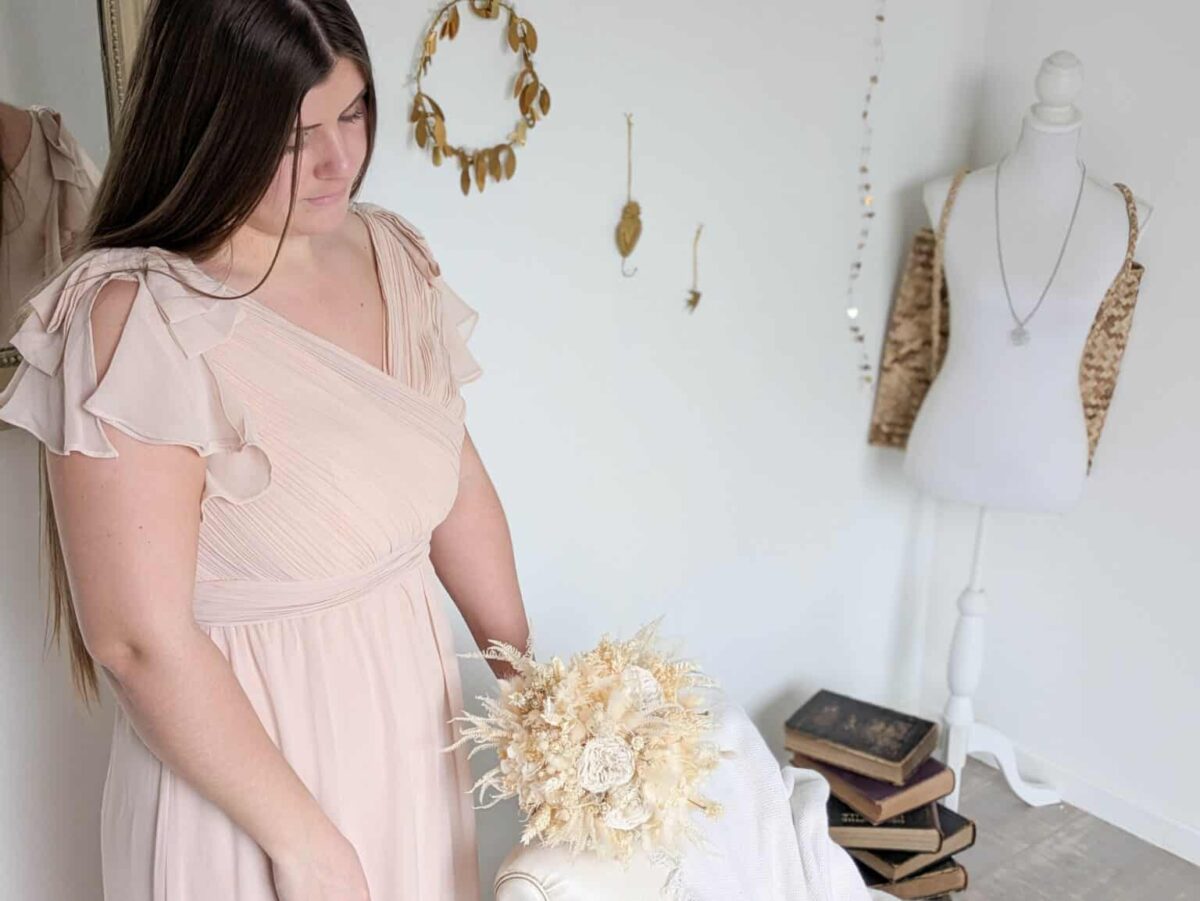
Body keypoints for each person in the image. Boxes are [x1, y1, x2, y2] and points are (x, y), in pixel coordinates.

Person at [0, 1, 530, 898]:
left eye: (353, 114)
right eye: (293, 139)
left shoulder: (389, 252)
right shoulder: (134, 318)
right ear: (207, 130)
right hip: (247, 783)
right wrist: (311, 848)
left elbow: (451, 469)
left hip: (407, 727)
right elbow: (136, 640)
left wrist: (533, 689)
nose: (338, 162)